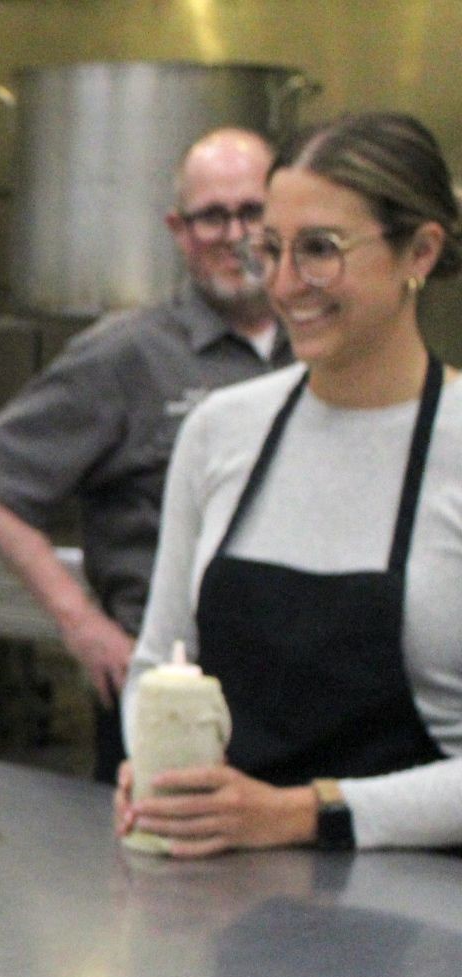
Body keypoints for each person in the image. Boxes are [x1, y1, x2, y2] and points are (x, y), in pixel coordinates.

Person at [117, 111, 462, 855]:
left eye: (318, 250)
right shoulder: (220, 432)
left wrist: (301, 811)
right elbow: (156, 662)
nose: (282, 284)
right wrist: (158, 761)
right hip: (227, 902)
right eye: (269, 250)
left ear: (421, 251)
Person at [0, 127, 289, 782]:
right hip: (168, 688)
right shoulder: (126, 354)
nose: (234, 233)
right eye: (210, 217)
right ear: (178, 228)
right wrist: (80, 623)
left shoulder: (322, 343)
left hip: (294, 686)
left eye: (252, 211)